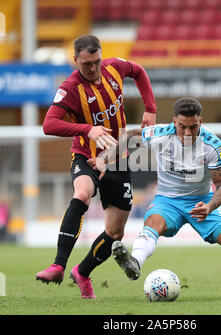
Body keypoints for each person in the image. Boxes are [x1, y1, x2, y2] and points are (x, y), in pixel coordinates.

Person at [97, 97, 221, 299]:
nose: (188, 133)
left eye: (193, 127)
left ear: (201, 122)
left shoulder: (213, 145)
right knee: (154, 223)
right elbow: (130, 135)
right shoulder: (160, 134)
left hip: (202, 201)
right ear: (174, 122)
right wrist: (104, 158)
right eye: (182, 127)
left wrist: (210, 206)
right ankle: (134, 263)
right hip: (167, 200)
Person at [36, 34, 157, 299]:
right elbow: (49, 124)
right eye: (86, 64)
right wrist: (87, 129)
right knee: (82, 193)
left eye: (96, 61)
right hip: (85, 156)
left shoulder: (114, 67)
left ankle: (82, 272)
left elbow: (138, 71)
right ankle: (58, 264)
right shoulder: (69, 88)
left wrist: (150, 108)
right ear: (75, 60)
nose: (92, 68)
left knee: (115, 232)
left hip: (117, 158)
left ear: (102, 56)